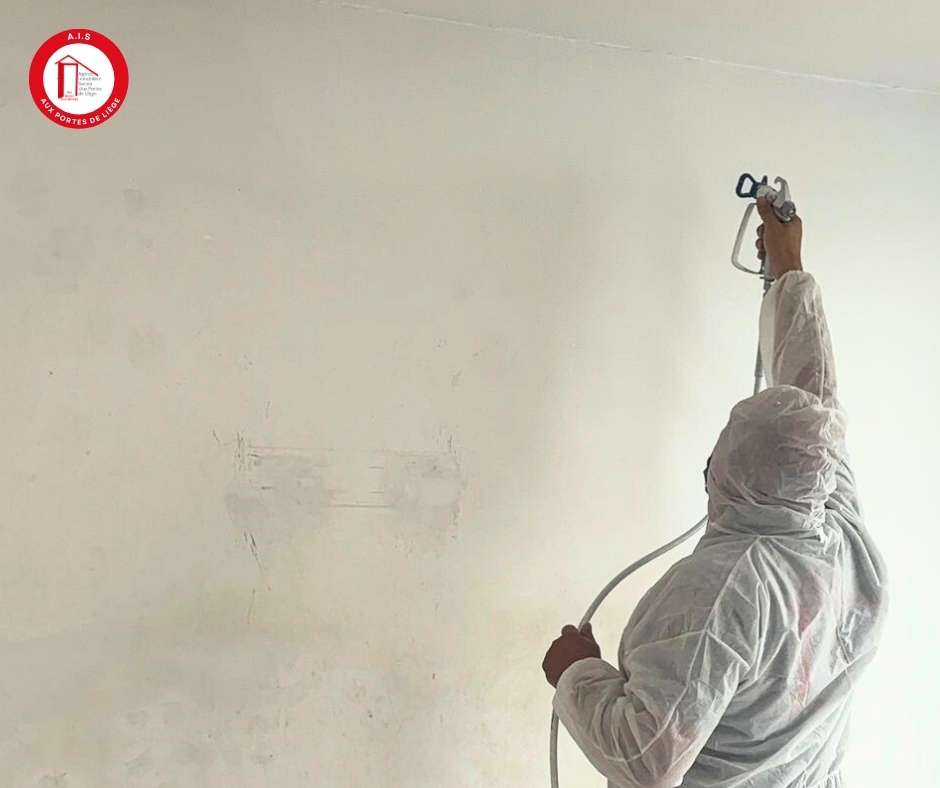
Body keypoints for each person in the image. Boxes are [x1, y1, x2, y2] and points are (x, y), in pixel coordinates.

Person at [542, 196, 888, 788]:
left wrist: (576, 674)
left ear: (720, 468)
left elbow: (649, 759)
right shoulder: (838, 531)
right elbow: (815, 402)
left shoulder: (723, 592)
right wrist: (788, 267)